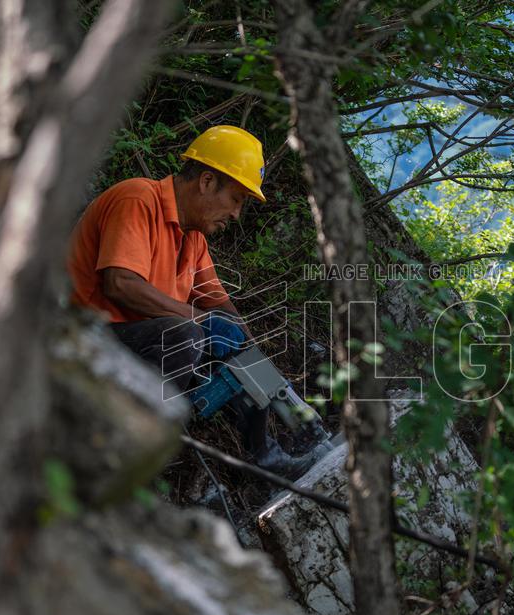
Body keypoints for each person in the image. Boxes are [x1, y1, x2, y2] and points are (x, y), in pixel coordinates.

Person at [67, 125, 323, 480]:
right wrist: (202, 322)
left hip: (130, 339)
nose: (236, 214)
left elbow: (219, 305)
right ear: (206, 181)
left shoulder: (193, 241)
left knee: (230, 345)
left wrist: (262, 367)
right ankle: (119, 447)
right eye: (236, 199)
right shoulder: (138, 199)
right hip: (81, 333)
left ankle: (264, 453)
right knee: (186, 335)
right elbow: (120, 284)